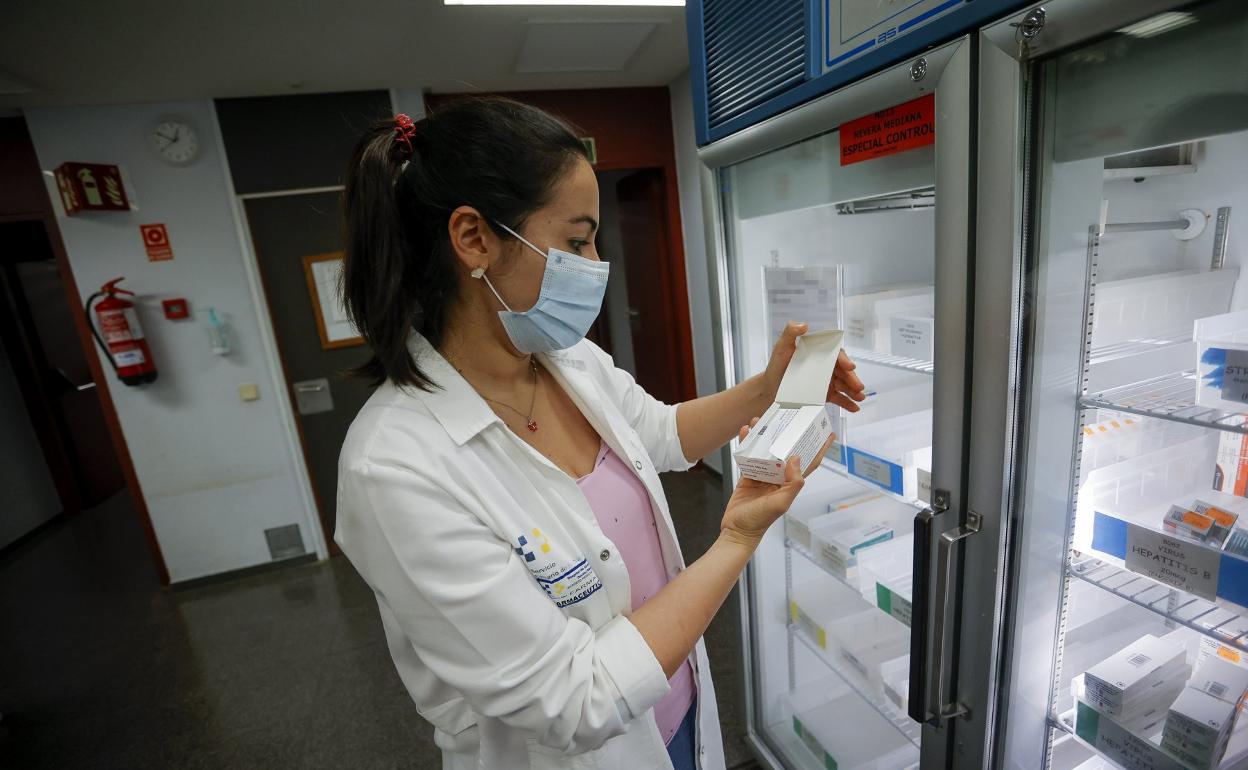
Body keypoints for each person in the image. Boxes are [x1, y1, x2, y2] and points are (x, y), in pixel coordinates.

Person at [334, 97, 866, 770]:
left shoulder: (566, 360)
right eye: (577, 239)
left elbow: (661, 433)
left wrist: (768, 387)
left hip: (677, 708)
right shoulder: (395, 466)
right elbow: (572, 699)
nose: (596, 261)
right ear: (474, 239)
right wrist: (737, 539)